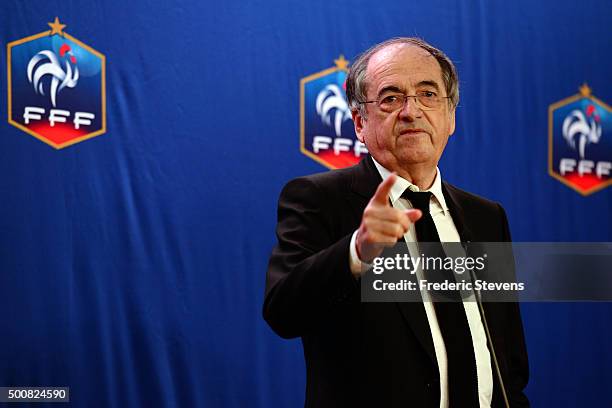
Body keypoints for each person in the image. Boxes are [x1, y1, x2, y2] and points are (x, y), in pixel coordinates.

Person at [263, 37, 529, 408]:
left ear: (450, 117)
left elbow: (507, 360)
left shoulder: (487, 217)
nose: (411, 111)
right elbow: (283, 312)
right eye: (391, 98)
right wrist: (355, 252)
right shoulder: (319, 200)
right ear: (359, 122)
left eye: (428, 94)